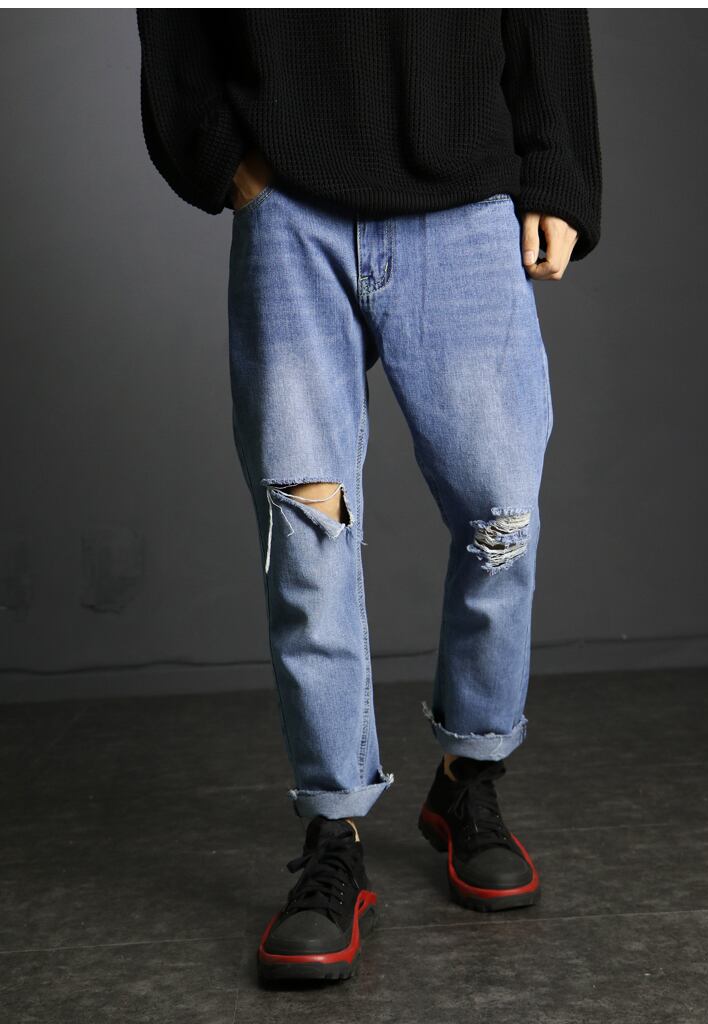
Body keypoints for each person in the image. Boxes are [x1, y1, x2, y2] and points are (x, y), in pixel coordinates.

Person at [136, 9, 602, 984]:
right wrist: (218, 151)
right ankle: (333, 832)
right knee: (307, 534)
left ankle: (468, 776)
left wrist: (557, 166)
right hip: (291, 205)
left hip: (466, 196)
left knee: (502, 515)